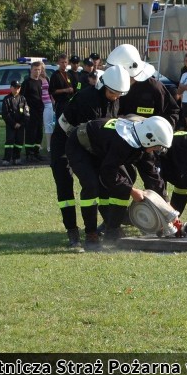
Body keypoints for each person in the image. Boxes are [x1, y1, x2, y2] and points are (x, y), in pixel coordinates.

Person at [51, 65, 129, 249]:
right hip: (66, 141)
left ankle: (109, 226)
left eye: (119, 94)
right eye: (113, 93)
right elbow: (88, 135)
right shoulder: (88, 100)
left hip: (90, 144)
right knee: (66, 185)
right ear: (104, 86)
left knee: (101, 183)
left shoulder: (114, 99)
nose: (116, 97)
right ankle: (73, 231)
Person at [66, 116, 173, 250]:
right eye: (156, 146)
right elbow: (108, 174)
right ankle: (91, 234)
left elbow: (152, 175)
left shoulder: (142, 142)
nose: (155, 150)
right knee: (91, 186)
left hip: (101, 149)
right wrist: (132, 191)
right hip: (80, 146)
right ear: (148, 137)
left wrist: (166, 204)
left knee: (123, 185)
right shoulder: (123, 142)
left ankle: (112, 232)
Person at [21, 61, 45, 162]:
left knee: (39, 132)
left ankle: (36, 152)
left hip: (39, 111)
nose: (37, 72)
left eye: (39, 69)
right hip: (30, 112)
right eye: (35, 69)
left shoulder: (40, 82)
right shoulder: (27, 82)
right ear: (31, 70)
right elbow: (22, 98)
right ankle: (29, 153)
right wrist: (23, 111)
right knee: (31, 133)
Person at [1, 80, 30, 166]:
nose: (17, 89)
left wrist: (21, 123)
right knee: (9, 141)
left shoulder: (22, 99)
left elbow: (26, 113)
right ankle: (7, 159)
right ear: (11, 88)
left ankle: (17, 158)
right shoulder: (6, 99)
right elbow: (5, 114)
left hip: (21, 125)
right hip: (11, 125)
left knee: (19, 142)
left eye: (18, 88)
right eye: (15, 87)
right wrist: (14, 124)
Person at [49, 53, 76, 118]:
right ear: (58, 62)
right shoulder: (55, 75)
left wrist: (73, 89)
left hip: (70, 103)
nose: (64, 64)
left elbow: (75, 86)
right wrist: (64, 90)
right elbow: (51, 91)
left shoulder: (69, 74)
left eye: (65, 62)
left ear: (68, 63)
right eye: (62, 62)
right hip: (60, 104)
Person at [41, 65, 54, 152]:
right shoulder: (35, 80)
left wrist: (53, 100)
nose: (40, 70)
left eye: (42, 69)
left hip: (48, 103)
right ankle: (39, 144)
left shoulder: (47, 78)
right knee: (39, 125)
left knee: (48, 124)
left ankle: (49, 145)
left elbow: (50, 91)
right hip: (39, 104)